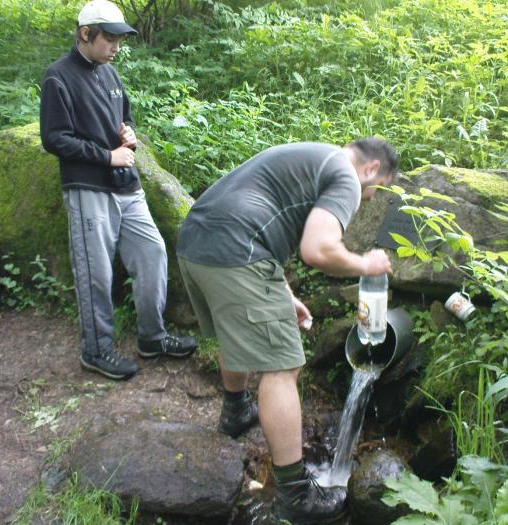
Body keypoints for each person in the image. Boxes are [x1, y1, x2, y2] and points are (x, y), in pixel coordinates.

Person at [176, 138, 398, 523]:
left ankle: (235, 411)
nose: (372, 198)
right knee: (283, 366)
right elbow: (317, 249)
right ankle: (295, 494)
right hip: (236, 251)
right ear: (372, 168)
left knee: (236, 334)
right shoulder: (346, 175)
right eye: (377, 190)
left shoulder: (310, 158)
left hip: (195, 244)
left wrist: (283, 294)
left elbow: (262, 222)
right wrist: (366, 264)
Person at [40, 0, 196, 381]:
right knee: (95, 273)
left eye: (119, 39)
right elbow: (54, 139)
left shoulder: (110, 75)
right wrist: (107, 156)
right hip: (88, 187)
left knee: (153, 253)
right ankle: (96, 351)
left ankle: (152, 337)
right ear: (85, 34)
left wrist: (129, 133)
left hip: (127, 186)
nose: (115, 47)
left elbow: (124, 117)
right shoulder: (57, 77)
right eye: (109, 38)